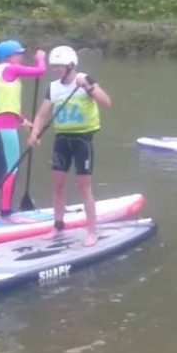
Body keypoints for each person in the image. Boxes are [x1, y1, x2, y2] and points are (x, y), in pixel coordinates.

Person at [28, 46, 111, 247]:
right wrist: (34, 132)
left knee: (84, 186)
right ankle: (58, 225)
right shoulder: (53, 87)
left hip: (83, 140)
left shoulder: (85, 79)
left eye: (60, 66)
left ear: (71, 65)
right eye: (54, 66)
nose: (56, 70)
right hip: (62, 140)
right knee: (57, 185)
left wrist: (88, 87)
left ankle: (92, 231)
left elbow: (106, 102)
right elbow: (41, 115)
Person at [0, 40, 46, 223]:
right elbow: (40, 71)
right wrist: (41, 58)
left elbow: (4, 105)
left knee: (1, 169)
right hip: (4, 129)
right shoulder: (10, 69)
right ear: (8, 56)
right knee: (12, 169)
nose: (21, 56)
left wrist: (24, 122)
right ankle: (6, 213)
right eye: (18, 54)